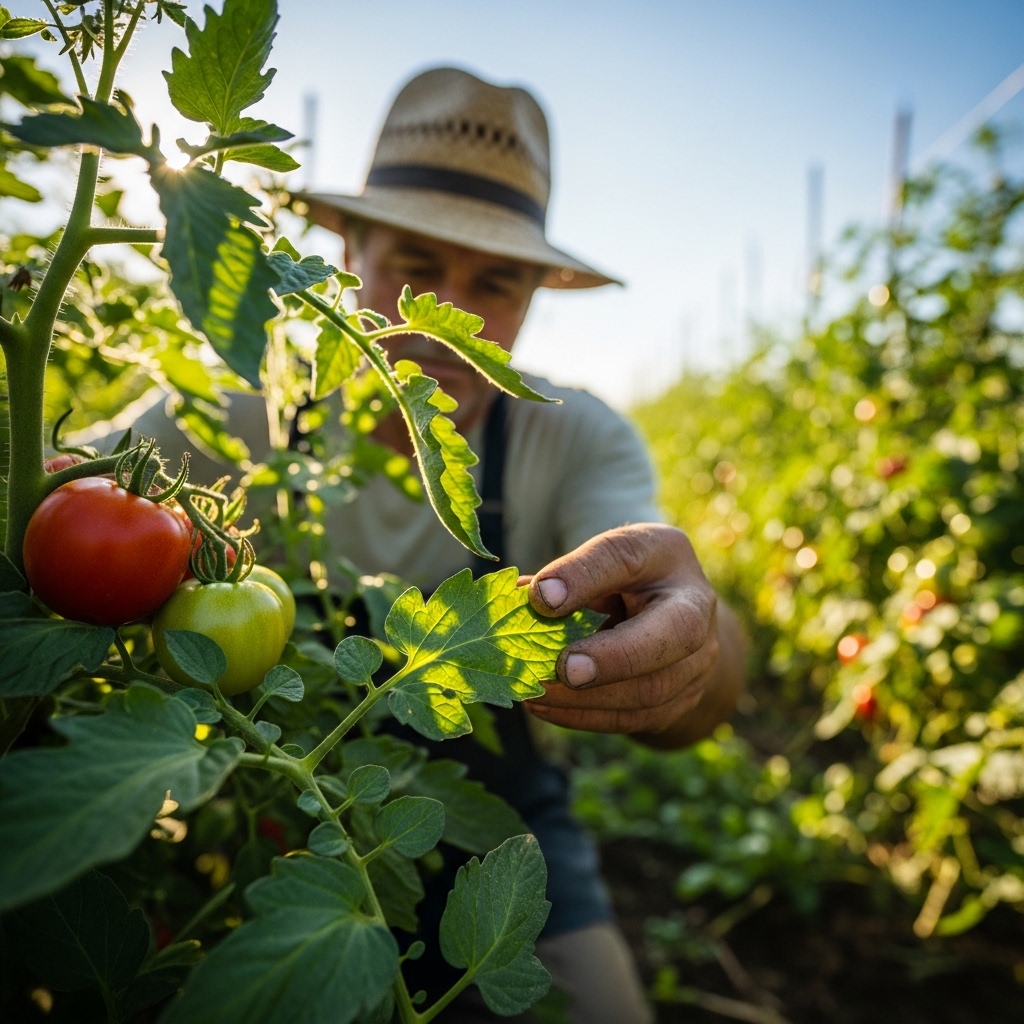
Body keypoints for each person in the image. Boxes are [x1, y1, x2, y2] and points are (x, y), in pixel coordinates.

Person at [135, 67, 745, 1023]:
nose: (440, 319)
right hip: (250, 804)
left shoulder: (573, 439)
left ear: (538, 293)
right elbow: (60, 496)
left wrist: (693, 646)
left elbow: (685, 642)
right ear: (346, 250)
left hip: (497, 826)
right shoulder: (234, 409)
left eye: (493, 283)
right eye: (413, 265)